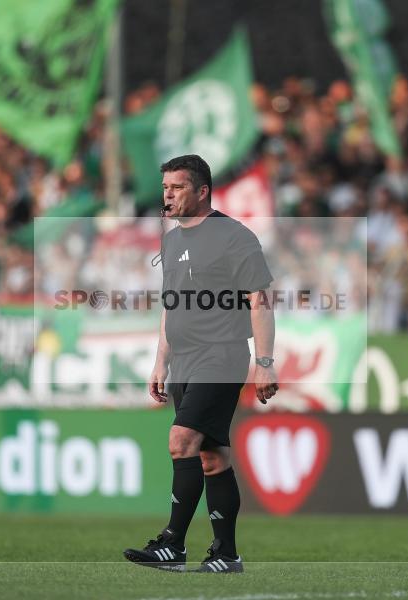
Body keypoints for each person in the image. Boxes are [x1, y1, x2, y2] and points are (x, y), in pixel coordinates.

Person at [123, 155, 278, 573]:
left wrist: (265, 362)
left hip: (221, 354)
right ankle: (226, 554)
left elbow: (259, 301)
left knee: (181, 441)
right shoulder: (172, 239)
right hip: (185, 361)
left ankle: (173, 544)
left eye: (176, 187)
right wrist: (160, 361)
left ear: (202, 191)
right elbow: (170, 306)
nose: (167, 195)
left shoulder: (234, 236)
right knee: (212, 458)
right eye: (165, 188)